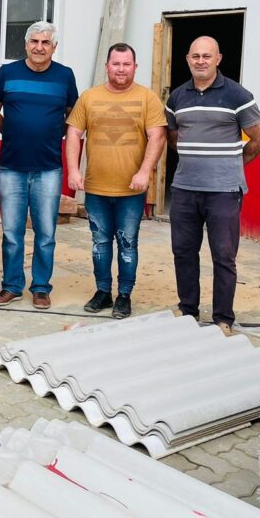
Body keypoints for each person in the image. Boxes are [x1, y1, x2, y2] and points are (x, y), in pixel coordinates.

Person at [166, 36, 260, 336]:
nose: (201, 61)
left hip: (224, 191)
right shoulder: (177, 98)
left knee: (223, 256)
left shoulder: (237, 95)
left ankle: (223, 318)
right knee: (183, 252)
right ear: (188, 59)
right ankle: (188, 309)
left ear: (218, 59)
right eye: (195, 56)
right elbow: (173, 138)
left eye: (206, 56)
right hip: (185, 189)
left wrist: (233, 164)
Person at [65, 42, 166, 319]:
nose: (121, 69)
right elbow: (73, 133)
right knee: (100, 243)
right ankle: (103, 292)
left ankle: (124, 295)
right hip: (96, 188)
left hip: (131, 191)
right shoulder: (89, 97)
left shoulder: (148, 98)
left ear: (135, 67)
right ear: (107, 66)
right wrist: (73, 170)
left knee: (127, 243)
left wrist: (144, 172)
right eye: (116, 63)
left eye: (126, 64)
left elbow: (157, 137)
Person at [0, 21, 78, 310]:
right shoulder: (8, 72)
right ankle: (12, 286)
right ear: (26, 44)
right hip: (11, 166)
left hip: (48, 168)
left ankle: (40, 287)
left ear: (54, 47)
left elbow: (73, 115)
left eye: (45, 42)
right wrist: (10, 128)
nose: (39, 47)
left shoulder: (65, 75)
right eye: (34, 41)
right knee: (11, 233)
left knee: (46, 234)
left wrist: (54, 132)